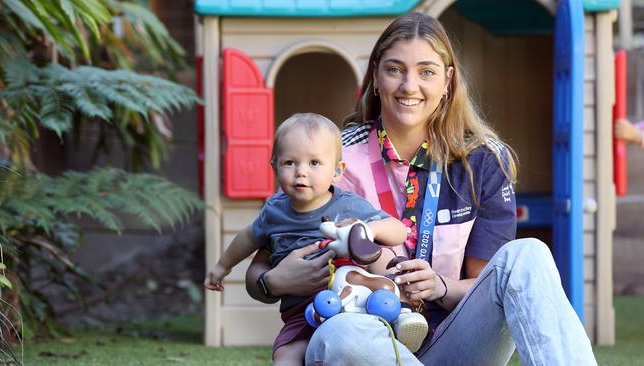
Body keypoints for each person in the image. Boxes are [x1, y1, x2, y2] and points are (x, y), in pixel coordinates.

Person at [246, 13, 597, 365]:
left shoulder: (485, 160)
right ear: (376, 76)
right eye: (395, 69)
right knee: (339, 334)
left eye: (426, 72)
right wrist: (273, 282)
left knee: (528, 254)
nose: (409, 86)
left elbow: (487, 284)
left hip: (459, 339)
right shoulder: (334, 159)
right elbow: (265, 253)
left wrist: (441, 288)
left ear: (447, 81)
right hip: (374, 340)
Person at [204, 113, 425, 365]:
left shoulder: (349, 205)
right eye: (290, 163)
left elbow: (398, 229)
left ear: (337, 171)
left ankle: (403, 314)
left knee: (380, 255)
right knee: (285, 356)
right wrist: (223, 266)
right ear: (274, 166)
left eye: (314, 163)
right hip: (301, 311)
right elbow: (247, 237)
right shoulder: (274, 211)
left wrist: (367, 230)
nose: (301, 172)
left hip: (353, 298)